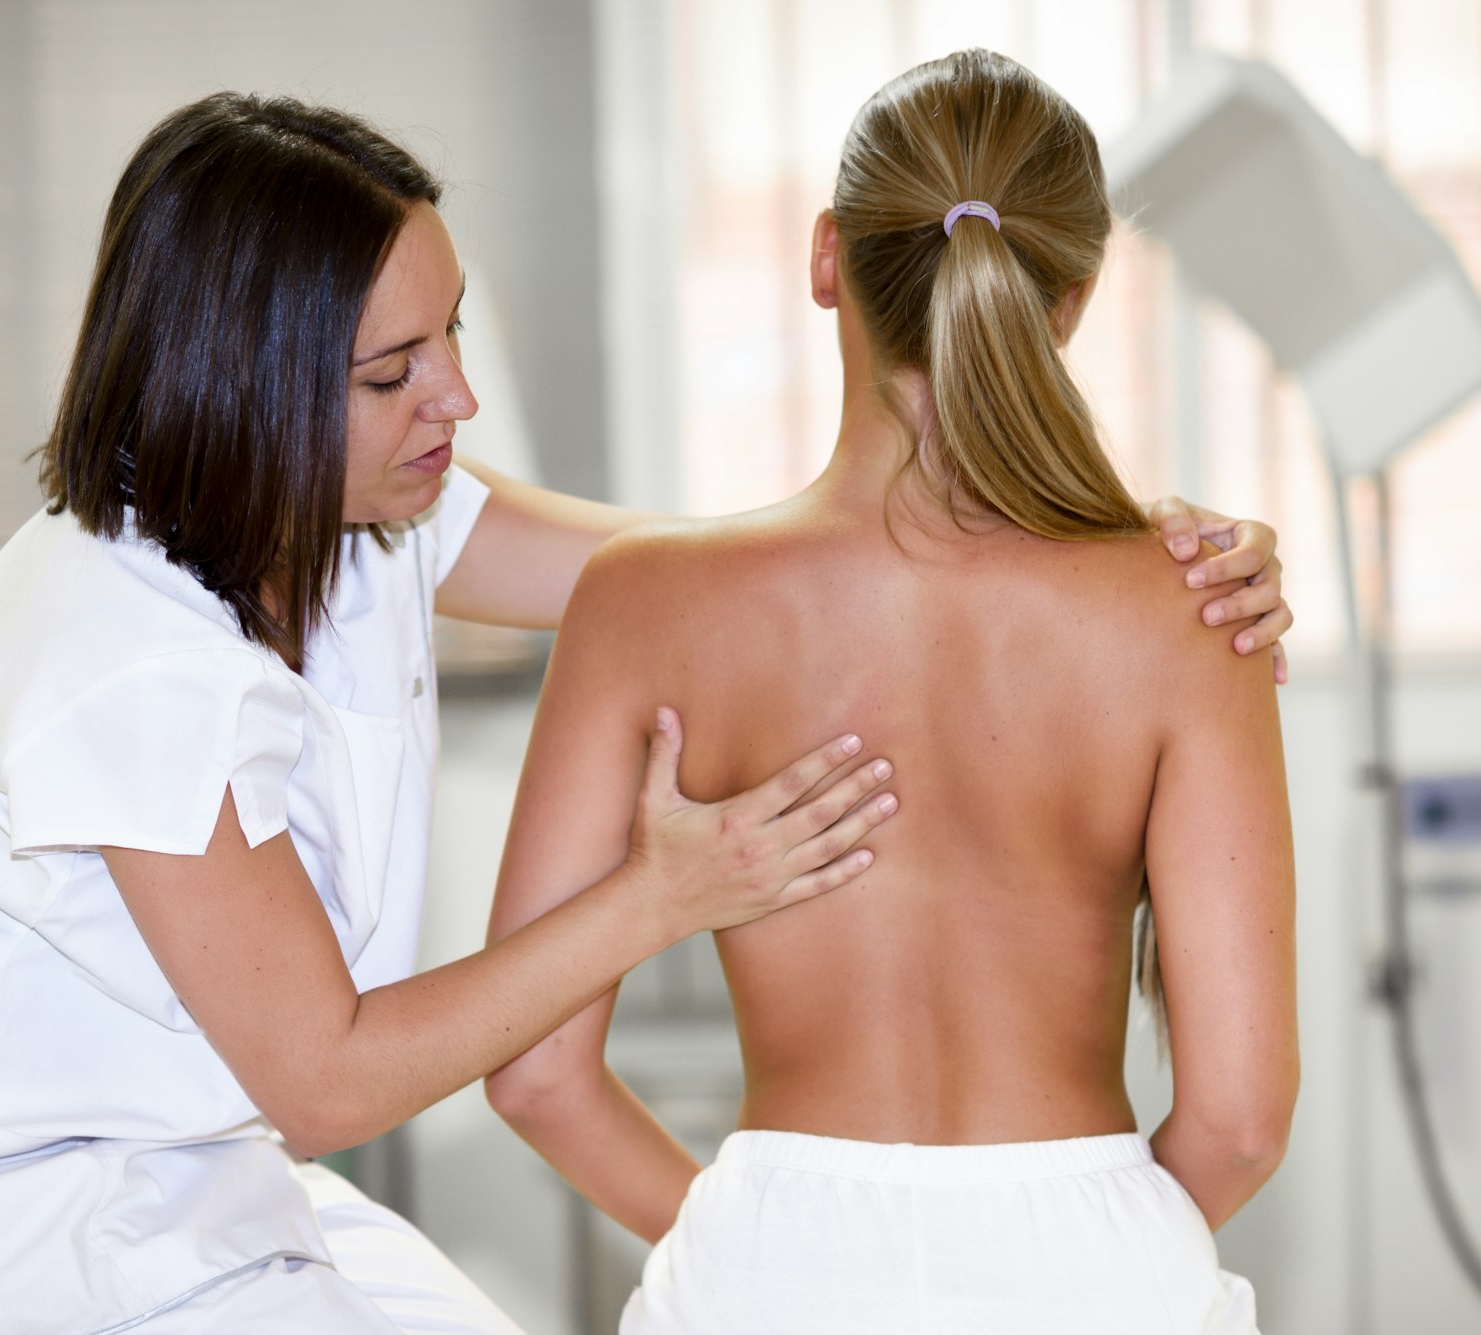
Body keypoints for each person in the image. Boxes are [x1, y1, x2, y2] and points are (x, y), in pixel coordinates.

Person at [0, 91, 1290, 1334]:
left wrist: (1097, 530)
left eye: (452, 335)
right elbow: (327, 1081)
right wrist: (665, 889)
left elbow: (735, 574)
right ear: (250, 386)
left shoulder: (374, 505)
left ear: (829, 261)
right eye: (396, 369)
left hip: (220, 1173)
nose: (458, 402)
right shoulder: (109, 651)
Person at [484, 50, 1296, 1335]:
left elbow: (533, 1077)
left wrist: (765, 1242)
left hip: (767, 1260)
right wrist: (1087, 1260)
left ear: (825, 259)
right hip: (1095, 1259)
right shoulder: (1196, 606)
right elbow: (1242, 1120)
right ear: (1069, 299)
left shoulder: (639, 600)